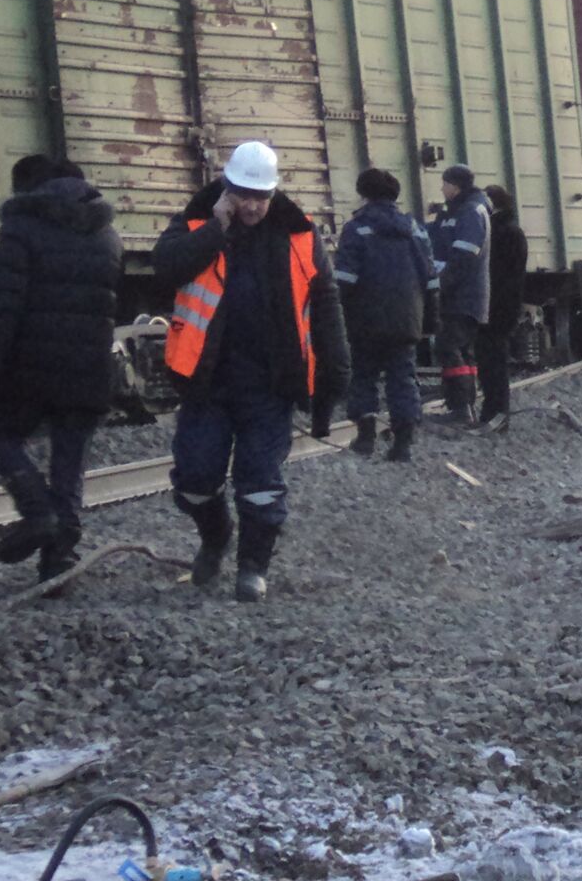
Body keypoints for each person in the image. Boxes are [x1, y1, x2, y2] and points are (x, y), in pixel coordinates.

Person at [155, 141, 348, 602]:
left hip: (270, 385)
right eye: (244, 195)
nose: (253, 205)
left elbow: (325, 309)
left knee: (260, 483)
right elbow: (166, 267)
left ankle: (253, 567)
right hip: (208, 383)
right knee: (195, 480)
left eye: (261, 196)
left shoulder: (299, 234)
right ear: (227, 189)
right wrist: (215, 227)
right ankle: (216, 535)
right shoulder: (198, 222)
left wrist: (330, 391)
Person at [0, 156, 122, 584]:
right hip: (90, 368)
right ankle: (57, 563)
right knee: (70, 461)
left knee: (2, 434)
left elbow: (3, 309)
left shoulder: (21, 228)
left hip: (30, 369)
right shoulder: (106, 233)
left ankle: (37, 512)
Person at [336, 168, 436, 462]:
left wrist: (338, 317)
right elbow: (430, 278)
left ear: (363, 194)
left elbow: (344, 278)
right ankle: (403, 443)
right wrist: (430, 319)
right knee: (403, 377)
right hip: (407, 318)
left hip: (365, 318)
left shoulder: (357, 228)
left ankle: (365, 438)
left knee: (363, 374)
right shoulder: (415, 230)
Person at [426, 164, 491, 426]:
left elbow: (464, 256)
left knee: (449, 347)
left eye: (444, 184)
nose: (442, 189)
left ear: (455, 186)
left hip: (463, 296)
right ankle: (464, 406)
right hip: (463, 295)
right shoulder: (459, 211)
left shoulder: (471, 212)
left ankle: (461, 408)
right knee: (462, 350)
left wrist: (441, 286)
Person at [478, 184, 528, 424]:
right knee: (492, 361)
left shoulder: (501, 233)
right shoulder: (511, 231)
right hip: (502, 305)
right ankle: (494, 413)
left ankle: (496, 414)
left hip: (496, 306)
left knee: (493, 362)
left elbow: (502, 274)